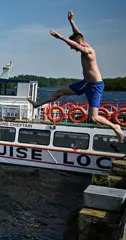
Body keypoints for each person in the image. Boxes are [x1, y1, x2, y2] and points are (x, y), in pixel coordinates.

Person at [27, 10, 124, 142]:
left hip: (95, 86)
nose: (72, 49)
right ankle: (38, 104)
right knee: (60, 91)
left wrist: (60, 37)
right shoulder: (82, 43)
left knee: (94, 118)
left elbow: (77, 43)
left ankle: (115, 126)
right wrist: (71, 21)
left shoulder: (88, 50)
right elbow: (78, 36)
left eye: (74, 47)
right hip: (85, 83)